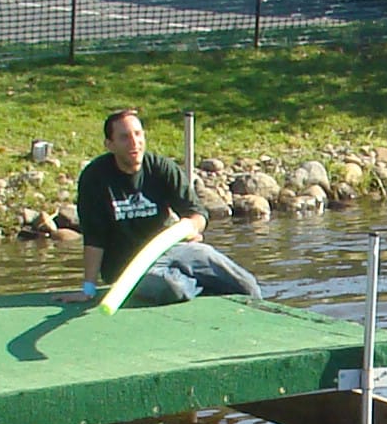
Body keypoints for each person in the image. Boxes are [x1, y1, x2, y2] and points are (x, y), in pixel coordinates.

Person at [67, 108, 263, 307]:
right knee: (171, 286)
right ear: (110, 145)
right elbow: (94, 238)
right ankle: (203, 288)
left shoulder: (161, 167)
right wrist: (88, 289)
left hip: (175, 250)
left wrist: (192, 225)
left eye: (138, 134)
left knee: (247, 285)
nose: (134, 143)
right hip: (130, 268)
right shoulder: (95, 178)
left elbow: (197, 212)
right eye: (124, 137)